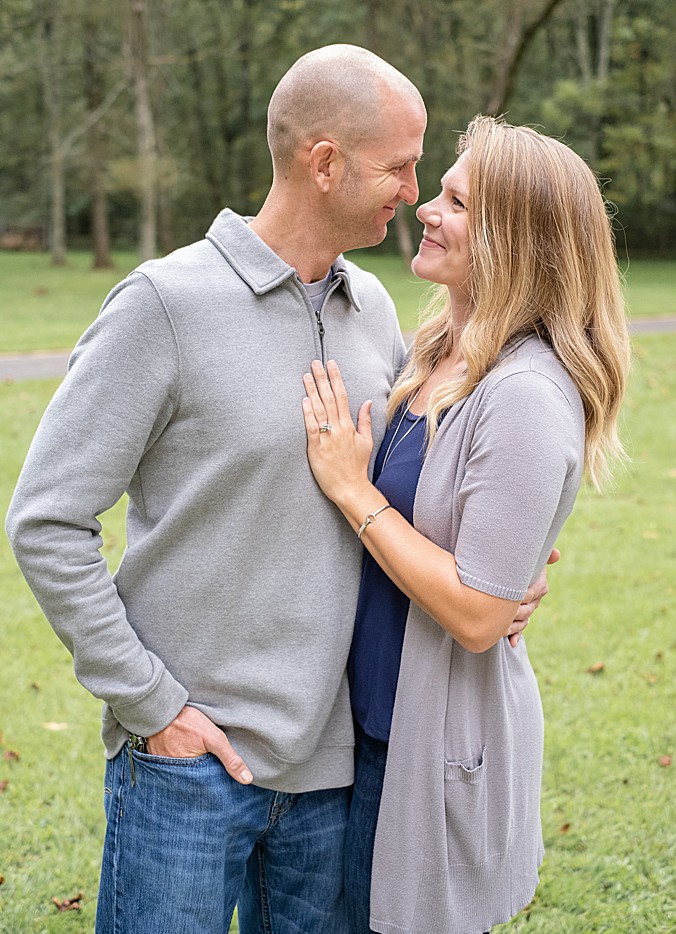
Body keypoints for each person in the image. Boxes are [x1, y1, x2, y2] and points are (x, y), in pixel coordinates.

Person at [4, 45, 545, 932]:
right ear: (323, 161)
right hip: (189, 764)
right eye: (399, 166)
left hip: (335, 771)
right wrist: (152, 706)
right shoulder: (162, 306)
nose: (413, 190)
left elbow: (417, 484)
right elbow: (47, 519)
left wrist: (506, 569)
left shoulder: (372, 308)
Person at [299, 115, 630, 933]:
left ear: (515, 239)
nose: (425, 208)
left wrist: (353, 491)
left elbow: (480, 614)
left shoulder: (523, 392)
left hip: (426, 745)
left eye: (455, 200)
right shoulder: (440, 349)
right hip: (363, 731)